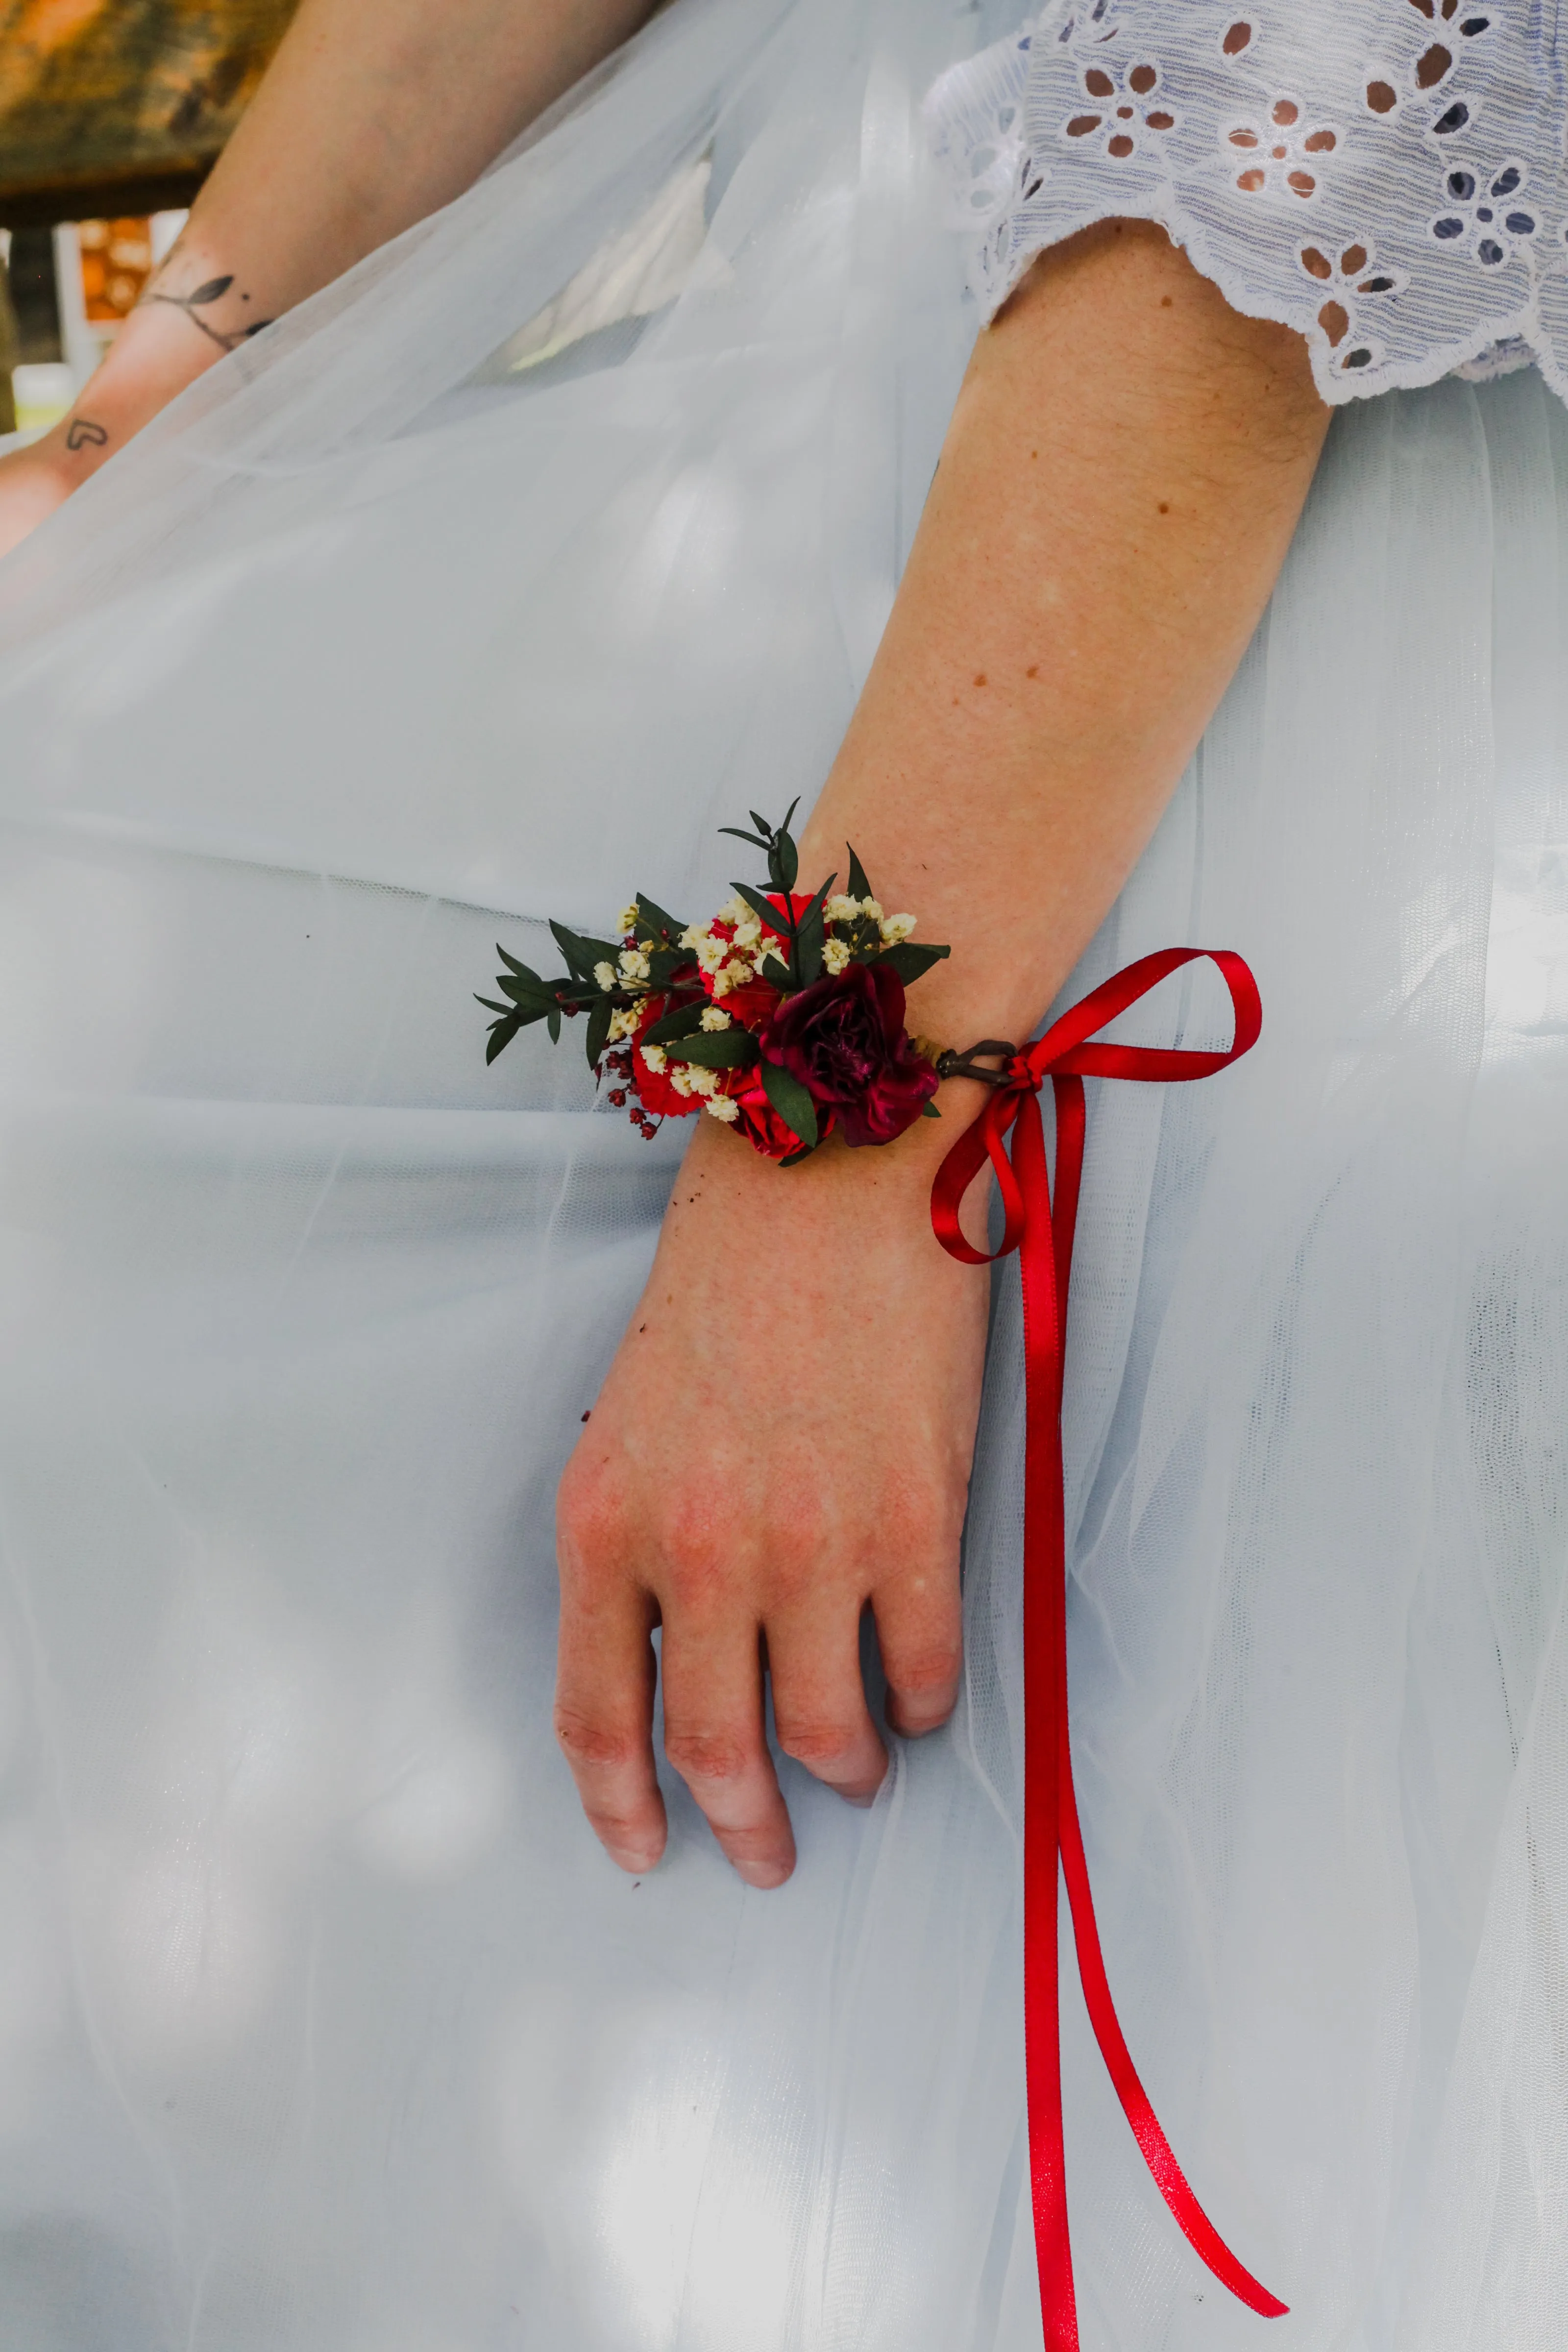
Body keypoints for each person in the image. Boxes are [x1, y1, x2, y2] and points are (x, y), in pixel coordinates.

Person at [0, 1, 1561, 2345]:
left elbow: (1291, 88)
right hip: (796, 416)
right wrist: (149, 416)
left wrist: (843, 1106)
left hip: (1199, 559)